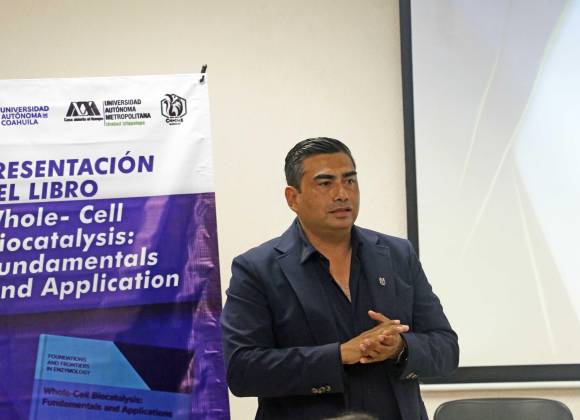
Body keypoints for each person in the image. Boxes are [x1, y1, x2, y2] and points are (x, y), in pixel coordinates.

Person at [220, 138, 458, 420]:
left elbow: (446, 349)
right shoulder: (257, 269)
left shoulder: (397, 255)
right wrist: (339, 355)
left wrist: (400, 348)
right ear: (292, 198)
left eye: (349, 181)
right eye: (325, 183)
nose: (342, 194)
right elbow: (243, 370)